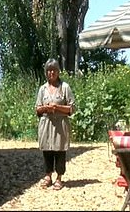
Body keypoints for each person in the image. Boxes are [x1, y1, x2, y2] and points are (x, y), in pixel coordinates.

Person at [34, 58, 76, 191]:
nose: (51, 73)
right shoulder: (42, 89)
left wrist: (57, 107)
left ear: (58, 71)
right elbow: (37, 109)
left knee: (59, 150)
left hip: (60, 123)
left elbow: (71, 108)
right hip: (46, 123)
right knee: (47, 149)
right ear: (46, 72)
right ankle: (48, 176)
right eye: (48, 70)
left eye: (54, 70)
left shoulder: (65, 87)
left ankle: (59, 177)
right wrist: (45, 108)